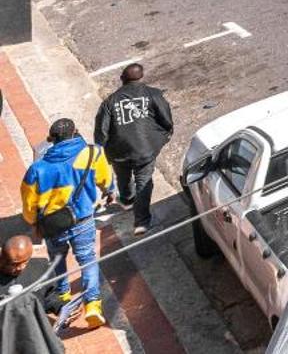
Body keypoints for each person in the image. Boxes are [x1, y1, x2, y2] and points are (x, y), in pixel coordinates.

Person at [19, 119, 111, 331]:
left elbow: (28, 202)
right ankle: (93, 305)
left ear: (52, 140)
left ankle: (63, 298)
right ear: (75, 133)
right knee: (87, 260)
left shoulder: (37, 168)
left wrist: (33, 222)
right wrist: (110, 191)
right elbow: (105, 179)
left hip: (53, 226)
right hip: (83, 219)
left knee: (58, 261)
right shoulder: (92, 153)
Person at [93, 63, 173, 233]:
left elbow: (101, 132)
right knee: (144, 182)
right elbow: (165, 118)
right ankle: (141, 221)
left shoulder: (110, 101)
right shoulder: (153, 94)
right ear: (141, 77)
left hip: (119, 151)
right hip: (145, 150)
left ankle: (128, 201)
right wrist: (164, 136)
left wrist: (104, 149)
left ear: (122, 79)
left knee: (122, 176)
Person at [0, 234, 61, 353]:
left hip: (35, 337)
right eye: (14, 264)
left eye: (24, 262)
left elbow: (50, 296)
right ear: (3, 258)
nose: (20, 268)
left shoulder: (41, 269)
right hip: (5, 342)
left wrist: (61, 307)